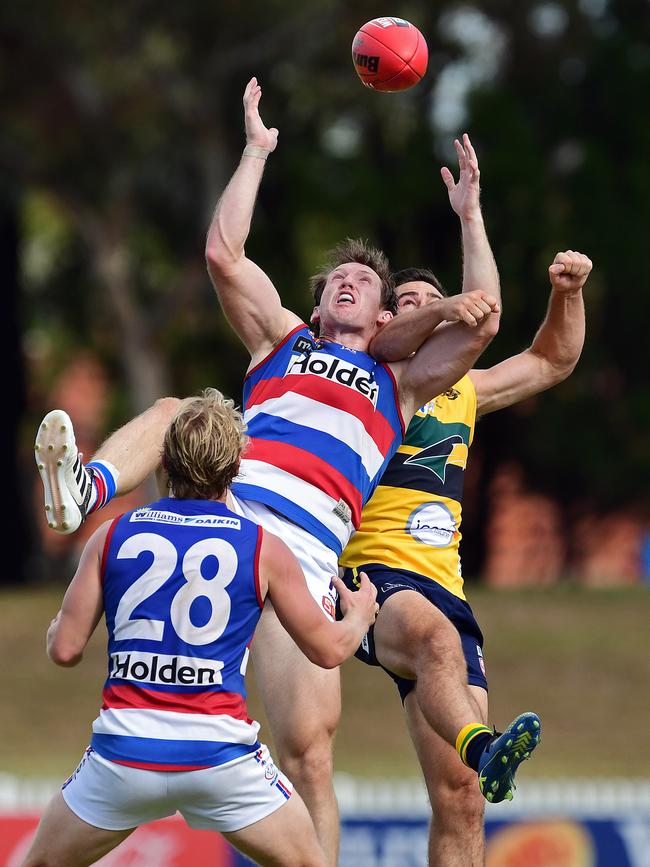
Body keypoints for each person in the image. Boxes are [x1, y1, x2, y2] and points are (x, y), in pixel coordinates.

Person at [35, 78, 505, 864]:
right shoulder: (282, 342)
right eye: (337, 281)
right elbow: (224, 252)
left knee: (307, 754)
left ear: (387, 319)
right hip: (227, 531)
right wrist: (255, 151)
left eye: (366, 284)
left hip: (301, 565)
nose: (347, 282)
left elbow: (482, 314)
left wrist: (470, 218)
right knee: (175, 408)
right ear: (317, 306)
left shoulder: (401, 382)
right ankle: (83, 490)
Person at [23, 388, 380, 867]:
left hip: (124, 756)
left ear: (163, 463)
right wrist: (358, 615)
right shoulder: (263, 547)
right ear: (235, 469)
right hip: (220, 758)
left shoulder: (112, 535)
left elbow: (64, 650)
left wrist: (55, 628)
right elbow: (328, 649)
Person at [340, 246, 592, 866]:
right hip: (369, 578)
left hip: (444, 591)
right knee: (433, 646)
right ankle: (483, 743)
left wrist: (567, 293)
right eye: (409, 306)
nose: (428, 315)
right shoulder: (365, 378)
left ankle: (480, 754)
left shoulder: (465, 391)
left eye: (437, 306)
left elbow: (552, 359)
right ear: (387, 324)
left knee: (462, 799)